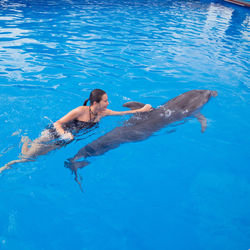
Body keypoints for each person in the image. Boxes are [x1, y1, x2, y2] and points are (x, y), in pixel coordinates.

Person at [0, 89, 152, 173]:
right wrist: (64, 134)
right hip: (54, 133)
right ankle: (5, 167)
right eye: (105, 101)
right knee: (27, 157)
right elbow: (57, 123)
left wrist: (143, 109)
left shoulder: (103, 113)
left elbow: (122, 113)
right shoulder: (80, 111)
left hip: (66, 140)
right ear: (95, 103)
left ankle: (25, 139)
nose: (108, 103)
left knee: (35, 156)